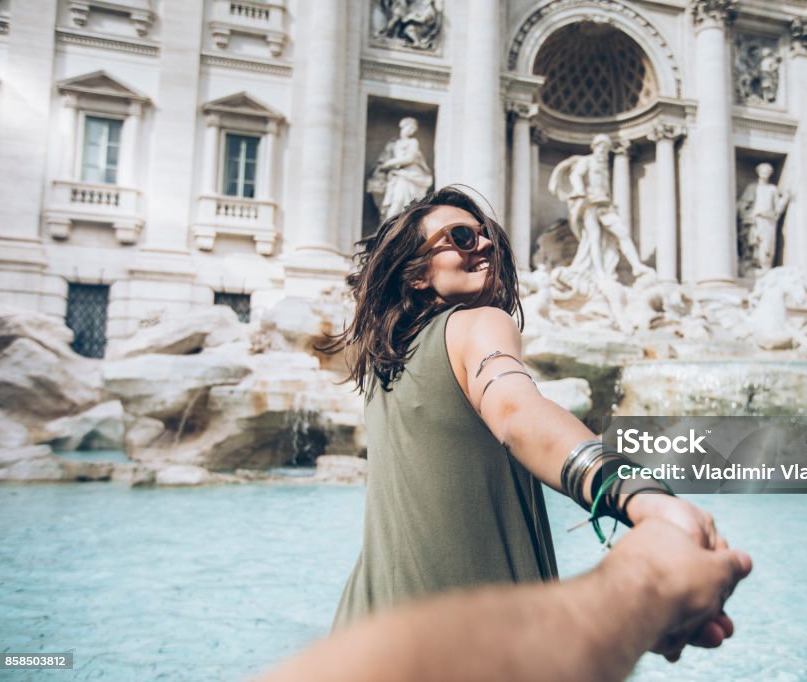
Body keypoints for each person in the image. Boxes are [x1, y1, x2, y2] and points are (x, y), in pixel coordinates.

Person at [323, 186, 730, 650]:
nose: (484, 245)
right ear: (415, 273)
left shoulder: (380, 363)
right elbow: (517, 412)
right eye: (460, 236)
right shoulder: (480, 322)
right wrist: (637, 494)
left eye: (487, 234)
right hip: (475, 644)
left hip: (364, 636)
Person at [258, 518, 752, 682]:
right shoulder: (478, 325)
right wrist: (651, 582)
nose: (489, 267)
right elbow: (517, 411)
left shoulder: (388, 353)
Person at [548, 134, 654, 286]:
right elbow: (576, 176)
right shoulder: (587, 161)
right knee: (594, 238)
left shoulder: (604, 166)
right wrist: (580, 191)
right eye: (602, 147)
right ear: (595, 147)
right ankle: (600, 273)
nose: (604, 152)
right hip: (590, 204)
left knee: (622, 233)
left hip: (604, 206)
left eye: (606, 149)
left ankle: (636, 266)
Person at [368, 117, 434, 221]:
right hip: (396, 176)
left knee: (403, 202)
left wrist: (390, 163)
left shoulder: (413, 141)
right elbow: (383, 160)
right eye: (411, 128)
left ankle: (398, 226)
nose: (412, 131)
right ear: (404, 126)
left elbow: (410, 158)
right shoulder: (393, 143)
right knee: (394, 202)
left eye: (414, 129)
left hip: (410, 175)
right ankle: (388, 227)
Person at [736, 162, 790, 276]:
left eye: (767, 171)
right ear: (759, 172)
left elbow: (778, 208)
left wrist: (785, 198)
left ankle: (765, 267)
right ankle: (753, 266)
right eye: (763, 171)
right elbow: (743, 204)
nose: (765, 173)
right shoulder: (752, 188)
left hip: (769, 220)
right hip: (755, 220)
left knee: (767, 246)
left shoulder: (773, 189)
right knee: (754, 244)